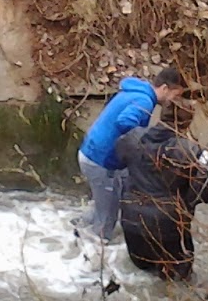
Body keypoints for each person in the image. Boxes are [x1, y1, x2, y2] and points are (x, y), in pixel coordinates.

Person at [115, 100, 208, 281]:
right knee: (177, 281)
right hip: (168, 224)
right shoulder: (188, 150)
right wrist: (187, 203)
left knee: (141, 279)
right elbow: (206, 190)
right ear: (187, 123)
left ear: (160, 115)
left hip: (131, 220)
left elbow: (118, 161)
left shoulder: (132, 138)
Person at [76, 68, 186, 242]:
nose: (175, 101)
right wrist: (146, 141)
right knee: (107, 218)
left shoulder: (136, 92)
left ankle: (76, 229)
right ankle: (93, 256)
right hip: (101, 161)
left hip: (91, 154)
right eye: (176, 95)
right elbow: (125, 122)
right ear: (165, 88)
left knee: (106, 203)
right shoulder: (144, 101)